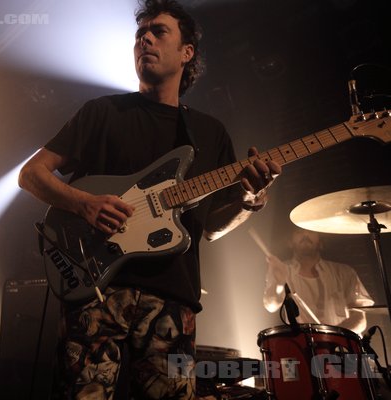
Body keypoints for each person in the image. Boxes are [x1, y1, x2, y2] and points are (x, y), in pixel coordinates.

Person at [18, 0, 281, 398]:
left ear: (186, 53)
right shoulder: (102, 113)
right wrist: (83, 204)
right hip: (96, 285)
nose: (145, 39)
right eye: (140, 34)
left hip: (172, 298)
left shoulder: (209, 133)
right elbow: (31, 174)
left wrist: (247, 196)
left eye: (159, 32)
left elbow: (212, 226)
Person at [263, 227, 373, 335]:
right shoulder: (281, 269)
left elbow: (360, 319)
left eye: (310, 230)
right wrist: (279, 283)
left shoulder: (345, 272)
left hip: (341, 347)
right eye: (299, 231)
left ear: (320, 242)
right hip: (302, 347)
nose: (305, 234)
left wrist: (331, 336)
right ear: (290, 242)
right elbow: (271, 306)